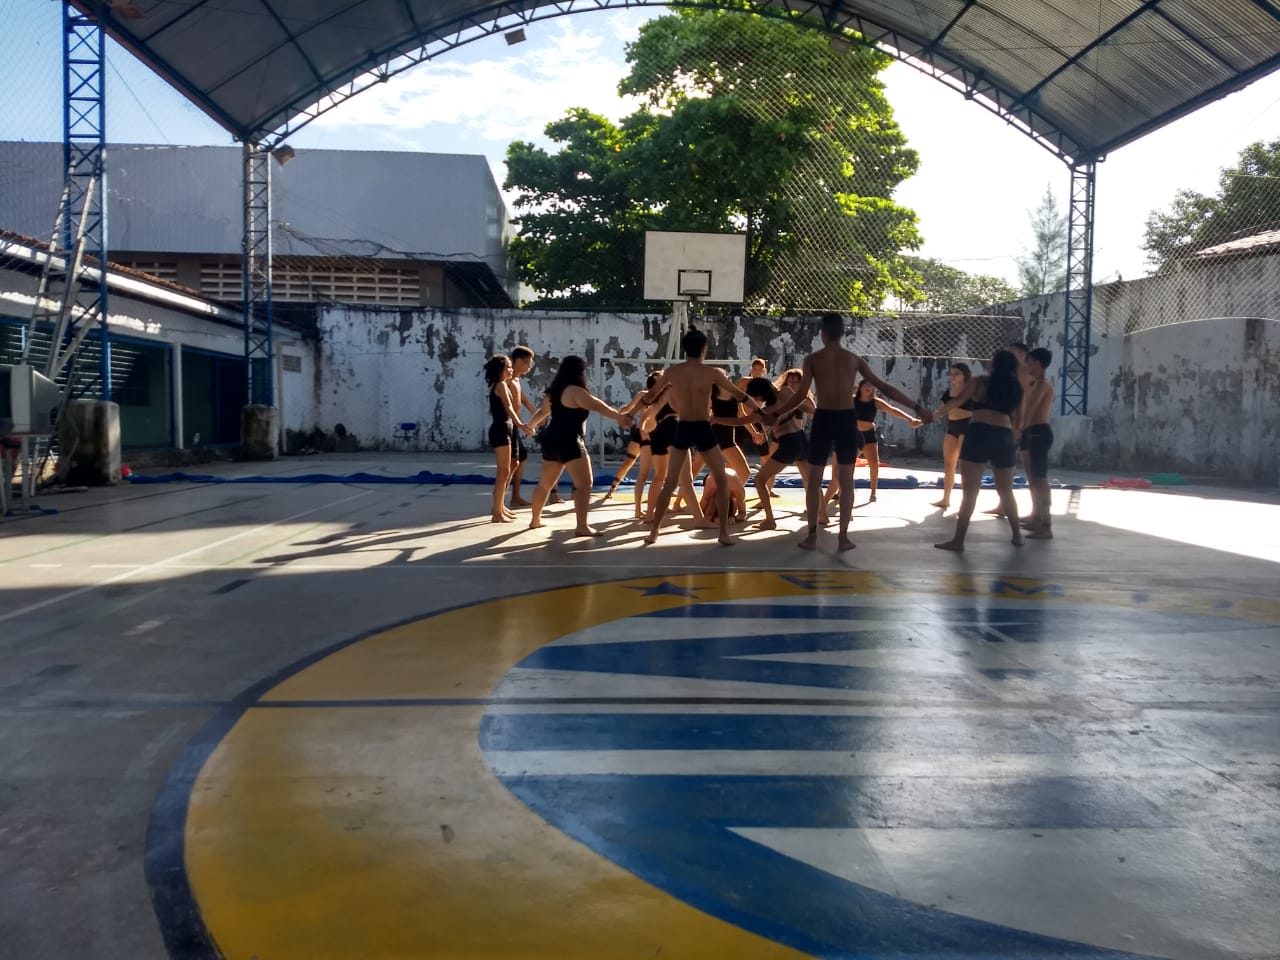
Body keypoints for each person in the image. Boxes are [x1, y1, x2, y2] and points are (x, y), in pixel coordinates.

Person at [771, 312, 932, 551]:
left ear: (823, 335)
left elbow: (800, 394)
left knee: (814, 480)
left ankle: (812, 535)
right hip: (846, 419)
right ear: (842, 333)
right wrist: (917, 407)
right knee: (846, 481)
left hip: (825, 418)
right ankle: (843, 536)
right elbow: (884, 387)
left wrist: (775, 413)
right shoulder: (853, 359)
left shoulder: (814, 359)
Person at [644, 328, 772, 546]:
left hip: (685, 426)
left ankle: (654, 532)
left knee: (671, 481)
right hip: (703, 427)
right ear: (704, 349)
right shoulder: (712, 373)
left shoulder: (673, 372)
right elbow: (742, 396)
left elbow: (649, 397)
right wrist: (761, 412)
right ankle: (723, 533)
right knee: (720, 479)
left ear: (685, 349)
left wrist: (632, 414)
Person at [526, 356, 632, 537]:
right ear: (580, 371)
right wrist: (619, 417)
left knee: (545, 483)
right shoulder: (576, 391)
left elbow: (543, 412)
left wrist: (530, 425)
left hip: (551, 439)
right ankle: (582, 526)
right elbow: (599, 407)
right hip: (569, 440)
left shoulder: (554, 391)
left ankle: (535, 520)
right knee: (584, 484)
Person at [933, 348, 1024, 552]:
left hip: (979, 433)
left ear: (994, 364)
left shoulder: (980, 381)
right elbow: (1019, 419)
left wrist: (937, 414)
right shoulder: (1016, 388)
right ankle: (1017, 536)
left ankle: (959, 540)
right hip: (1004, 436)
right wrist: (1014, 438)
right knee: (1006, 490)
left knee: (970, 492)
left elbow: (958, 400)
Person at [713, 374, 814, 530]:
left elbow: (739, 421)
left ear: (760, 396)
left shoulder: (765, 412)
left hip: (789, 443)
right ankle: (822, 515)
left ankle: (770, 520)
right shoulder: (786, 392)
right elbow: (802, 405)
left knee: (759, 480)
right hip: (801, 439)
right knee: (810, 480)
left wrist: (715, 419)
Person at [824, 379, 922, 506]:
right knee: (849, 466)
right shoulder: (852, 400)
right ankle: (842, 491)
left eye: (871, 385)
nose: (868, 387)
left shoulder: (876, 402)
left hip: (868, 435)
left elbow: (893, 410)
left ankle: (873, 492)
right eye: (865, 385)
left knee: (874, 463)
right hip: (853, 435)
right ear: (860, 388)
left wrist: (910, 419)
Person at [484, 355, 532, 523]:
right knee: (503, 471)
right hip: (501, 429)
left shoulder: (502, 384)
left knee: (510, 466)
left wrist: (518, 426)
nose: (511, 370)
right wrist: (521, 425)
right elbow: (509, 408)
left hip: (506, 428)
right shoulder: (501, 385)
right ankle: (497, 512)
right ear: (500, 370)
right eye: (508, 367)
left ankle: (501, 507)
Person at [603, 374, 659, 518]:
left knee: (659, 470)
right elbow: (630, 408)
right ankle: (612, 489)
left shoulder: (664, 396)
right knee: (629, 463)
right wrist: (618, 414)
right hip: (642, 433)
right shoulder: (643, 395)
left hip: (655, 434)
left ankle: (657, 495)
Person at [1020, 347, 1056, 538]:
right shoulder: (1034, 384)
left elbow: (1031, 409)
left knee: (1040, 479)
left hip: (1039, 432)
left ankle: (1046, 524)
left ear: (1038, 364)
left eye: (1030, 362)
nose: (1027, 366)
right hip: (1032, 432)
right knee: (1033, 478)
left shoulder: (1043, 385)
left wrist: (1019, 429)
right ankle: (1037, 518)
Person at [932, 362, 974, 510]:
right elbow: (942, 409)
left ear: (965, 375)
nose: (953, 377)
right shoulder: (949, 391)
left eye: (957, 374)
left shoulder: (970, 391)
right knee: (949, 464)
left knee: (965, 466)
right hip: (952, 427)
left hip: (966, 427)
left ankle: (966, 500)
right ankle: (946, 498)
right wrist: (931, 417)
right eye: (951, 374)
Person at [507, 345, 537, 507]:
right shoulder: (507, 380)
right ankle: (499, 501)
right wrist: (520, 424)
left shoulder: (517, 380)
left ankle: (515, 497)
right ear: (519, 361)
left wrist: (537, 415)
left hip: (515, 426)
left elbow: (523, 399)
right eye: (528, 364)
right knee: (513, 463)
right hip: (508, 425)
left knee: (521, 458)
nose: (529, 368)